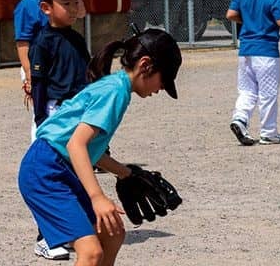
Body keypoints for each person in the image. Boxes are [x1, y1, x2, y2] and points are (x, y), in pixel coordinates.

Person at [18, 28, 182, 266]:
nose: (160, 89)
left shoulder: (116, 87)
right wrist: (97, 197)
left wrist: (127, 173)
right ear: (145, 65)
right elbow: (76, 145)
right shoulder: (115, 92)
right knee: (91, 252)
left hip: (55, 166)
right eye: (163, 80)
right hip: (46, 170)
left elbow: (90, 151)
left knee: (113, 234)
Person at [13, 0, 79, 261]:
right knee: (45, 161)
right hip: (43, 82)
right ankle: (47, 235)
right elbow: (23, 43)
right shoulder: (28, 6)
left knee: (65, 163)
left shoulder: (68, 15)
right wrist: (28, 76)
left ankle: (65, 229)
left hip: (61, 84)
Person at [226, 0, 280, 146]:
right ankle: (269, 132)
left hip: (246, 50)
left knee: (247, 91)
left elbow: (230, 15)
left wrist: (248, 21)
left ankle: (240, 119)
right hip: (266, 52)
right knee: (268, 94)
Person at [29, 0, 90, 128]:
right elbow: (38, 83)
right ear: (46, 8)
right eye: (66, 3)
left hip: (82, 105)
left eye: (76, 1)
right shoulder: (42, 43)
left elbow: (88, 74)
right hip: (57, 111)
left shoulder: (77, 39)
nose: (73, 8)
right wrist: (41, 119)